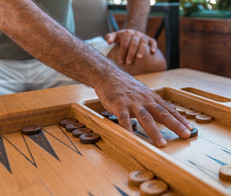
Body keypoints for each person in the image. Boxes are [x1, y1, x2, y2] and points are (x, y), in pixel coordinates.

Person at [0, 0, 192, 147]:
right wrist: (108, 77)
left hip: (59, 55)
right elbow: (9, 10)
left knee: (148, 59)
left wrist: (134, 32)